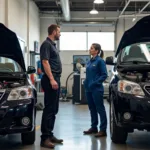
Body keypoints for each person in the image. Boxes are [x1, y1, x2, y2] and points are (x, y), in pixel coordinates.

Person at [40, 24, 63, 149]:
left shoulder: (52, 45)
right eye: (59, 31)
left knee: (54, 109)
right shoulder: (46, 44)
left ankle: (50, 134)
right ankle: (45, 139)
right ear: (54, 32)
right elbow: (45, 61)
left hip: (55, 79)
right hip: (51, 79)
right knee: (49, 109)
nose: (60, 34)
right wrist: (52, 79)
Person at [83, 43, 108, 137]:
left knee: (100, 108)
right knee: (92, 108)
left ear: (96, 51)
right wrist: (86, 82)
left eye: (92, 48)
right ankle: (94, 127)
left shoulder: (100, 61)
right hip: (88, 89)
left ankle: (103, 130)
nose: (90, 49)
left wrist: (95, 83)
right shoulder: (90, 61)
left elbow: (104, 75)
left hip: (97, 89)